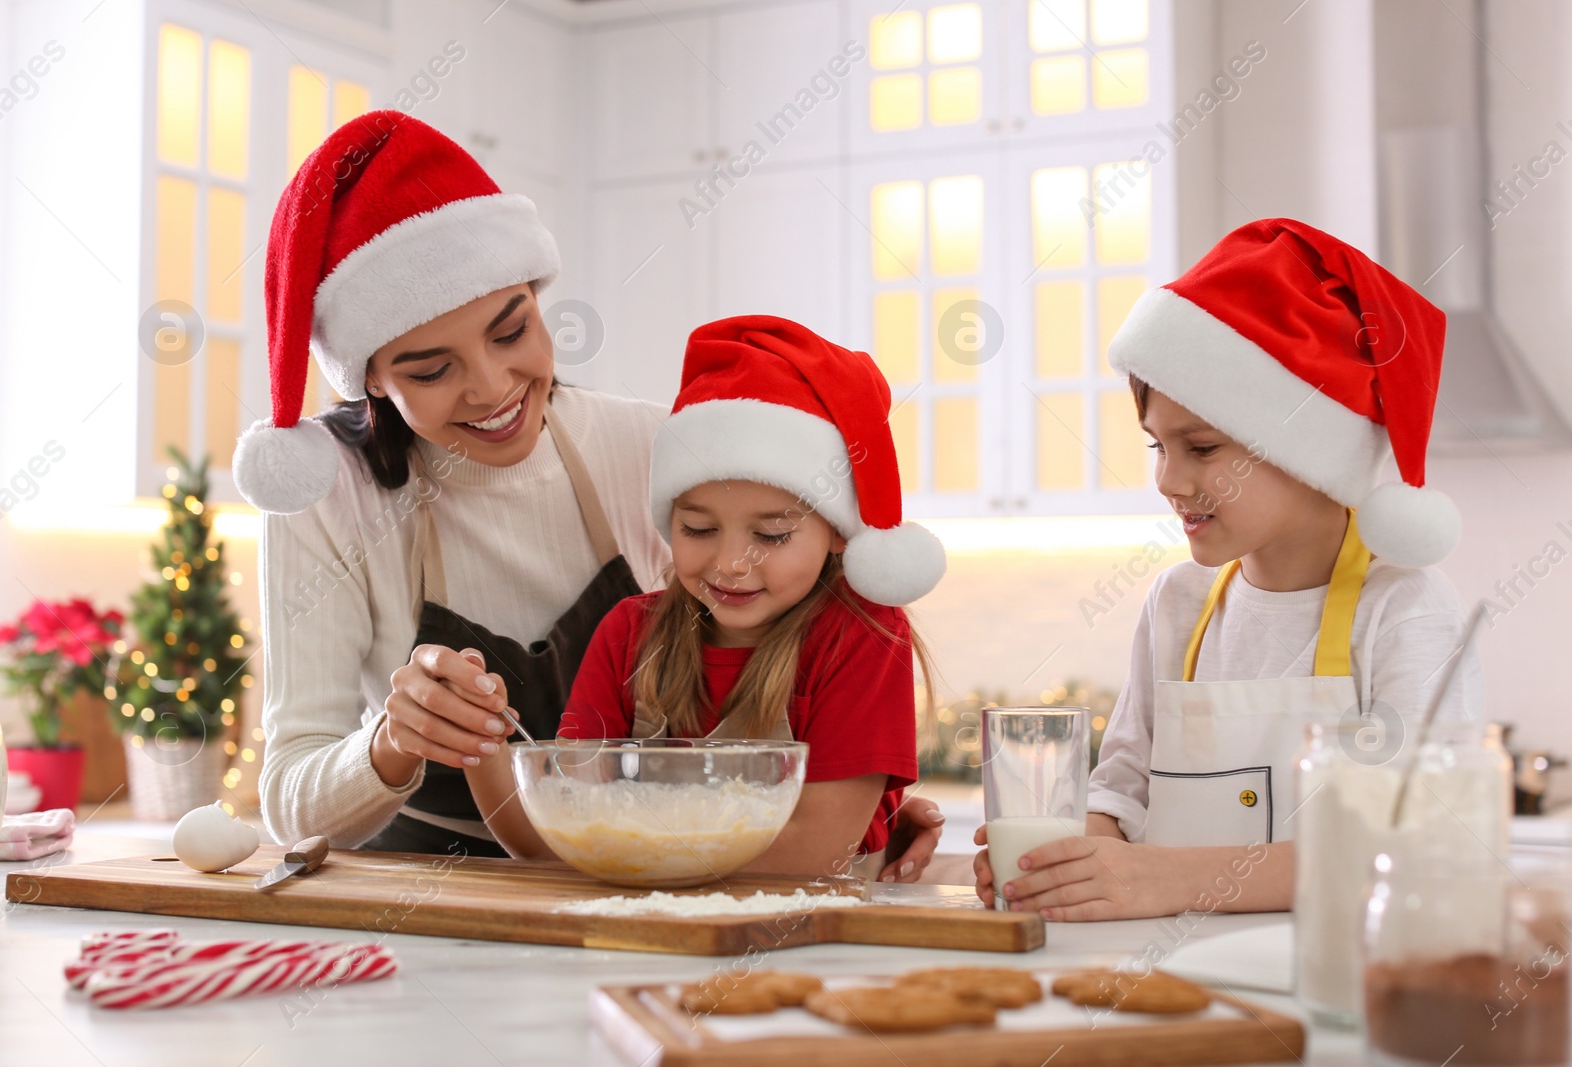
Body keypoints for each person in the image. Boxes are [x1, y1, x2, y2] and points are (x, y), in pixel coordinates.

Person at [234, 111, 947, 872]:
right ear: (370, 375)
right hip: (418, 876)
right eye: (431, 370)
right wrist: (390, 742)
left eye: (512, 331)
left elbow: (754, 664)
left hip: (616, 868)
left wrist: (852, 805)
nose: (493, 388)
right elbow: (289, 798)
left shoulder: (649, 446)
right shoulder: (328, 493)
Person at [973, 218, 1482, 919]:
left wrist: (1163, 880)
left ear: (1310, 450)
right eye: (1157, 446)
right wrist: (1062, 865)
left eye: (1202, 447)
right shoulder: (1177, 603)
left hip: (1318, 986)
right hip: (1162, 979)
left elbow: (1411, 837)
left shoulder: (1403, 607)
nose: (1167, 479)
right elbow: (1120, 791)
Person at [466, 316, 947, 878]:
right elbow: (551, 841)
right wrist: (479, 742)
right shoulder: (629, 634)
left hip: (816, 942)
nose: (730, 564)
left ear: (839, 531)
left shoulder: (861, 637)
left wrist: (622, 843)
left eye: (771, 535)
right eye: (698, 528)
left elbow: (812, 853)